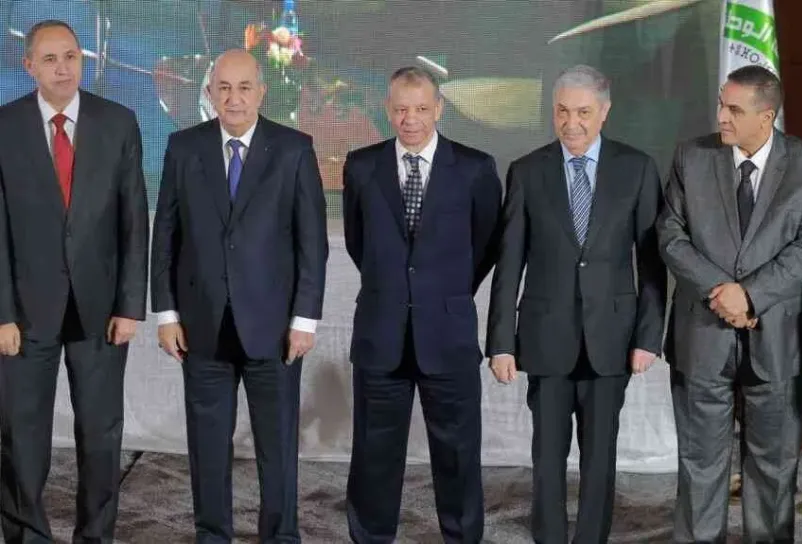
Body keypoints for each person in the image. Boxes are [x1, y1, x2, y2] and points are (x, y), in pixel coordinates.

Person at [150, 48, 328, 543]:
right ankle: (212, 535)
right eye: (223, 88)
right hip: (201, 327)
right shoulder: (183, 147)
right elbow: (166, 236)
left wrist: (305, 320)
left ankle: (281, 536)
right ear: (209, 93)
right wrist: (166, 313)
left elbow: (312, 242)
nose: (234, 98)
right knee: (207, 448)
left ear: (261, 92)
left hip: (275, 331)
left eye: (244, 87)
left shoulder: (293, 149)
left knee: (278, 448)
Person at [486, 64, 666, 543]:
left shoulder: (637, 168)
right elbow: (509, 264)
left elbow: (652, 264)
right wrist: (501, 343)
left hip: (612, 339)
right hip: (546, 338)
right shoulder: (527, 171)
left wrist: (649, 337)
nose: (571, 123)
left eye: (583, 112)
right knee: (546, 458)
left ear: (604, 112)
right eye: (562, 111)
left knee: (600, 459)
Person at [657, 65, 802, 542]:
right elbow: (670, 234)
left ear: (766, 116)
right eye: (721, 104)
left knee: (774, 465)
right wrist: (722, 291)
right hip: (702, 336)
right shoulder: (692, 156)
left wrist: (750, 295)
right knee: (700, 462)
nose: (721, 116)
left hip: (776, 337)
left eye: (734, 109)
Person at [0, 19, 148, 543]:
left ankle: (96, 536)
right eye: (50, 59)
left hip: (101, 311)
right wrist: (1, 313)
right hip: (24, 314)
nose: (63, 68)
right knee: (21, 438)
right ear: (29, 66)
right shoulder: (4, 127)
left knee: (101, 435)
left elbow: (134, 221)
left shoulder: (118, 122)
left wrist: (130, 306)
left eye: (71, 56)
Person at [342, 66, 502, 544]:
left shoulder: (475, 168)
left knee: (458, 455)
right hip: (381, 334)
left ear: (439, 110)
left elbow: (485, 245)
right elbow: (358, 243)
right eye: (400, 109)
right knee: (373, 455)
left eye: (420, 109)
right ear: (387, 110)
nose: (410, 119)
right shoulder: (361, 166)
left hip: (447, 335)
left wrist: (443, 293)